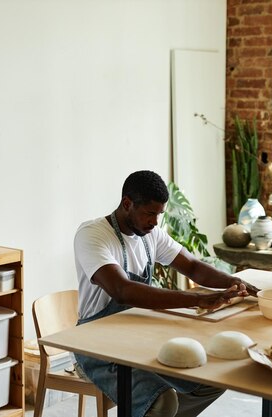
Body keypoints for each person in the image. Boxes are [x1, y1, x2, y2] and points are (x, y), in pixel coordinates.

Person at [73, 170, 260, 417]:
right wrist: (197, 299)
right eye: (150, 213)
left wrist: (234, 282)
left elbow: (192, 266)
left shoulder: (151, 235)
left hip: (139, 333)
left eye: (159, 214)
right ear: (127, 204)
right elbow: (122, 290)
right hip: (95, 343)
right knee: (162, 402)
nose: (155, 221)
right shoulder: (93, 234)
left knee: (211, 380)